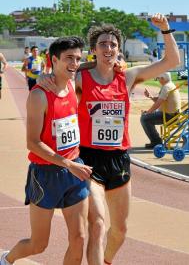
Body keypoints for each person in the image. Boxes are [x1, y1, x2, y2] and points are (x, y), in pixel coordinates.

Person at [37, 13, 180, 265]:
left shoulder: (129, 76)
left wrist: (166, 30)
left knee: (120, 231)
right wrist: (43, 77)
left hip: (119, 160)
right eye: (103, 43)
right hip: (89, 159)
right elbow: (59, 73)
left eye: (113, 44)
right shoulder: (81, 78)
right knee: (98, 223)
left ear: (119, 49)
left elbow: (172, 61)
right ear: (93, 50)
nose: (109, 48)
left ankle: (106, 261)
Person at [0, 37, 92, 265]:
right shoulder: (39, 95)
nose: (75, 63)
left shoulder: (73, 84)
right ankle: (6, 259)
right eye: (69, 58)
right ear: (53, 60)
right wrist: (68, 164)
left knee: (79, 238)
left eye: (78, 59)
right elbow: (32, 143)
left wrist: (117, 62)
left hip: (75, 171)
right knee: (38, 245)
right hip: (46, 175)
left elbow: (96, 64)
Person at [140, 72, 181, 148]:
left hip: (169, 116)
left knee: (144, 118)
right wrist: (150, 97)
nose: (158, 80)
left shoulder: (166, 87)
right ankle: (156, 141)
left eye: (159, 78)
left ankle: (156, 141)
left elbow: (159, 103)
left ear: (163, 78)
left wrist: (148, 112)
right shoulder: (170, 85)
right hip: (172, 114)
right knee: (146, 116)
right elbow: (161, 101)